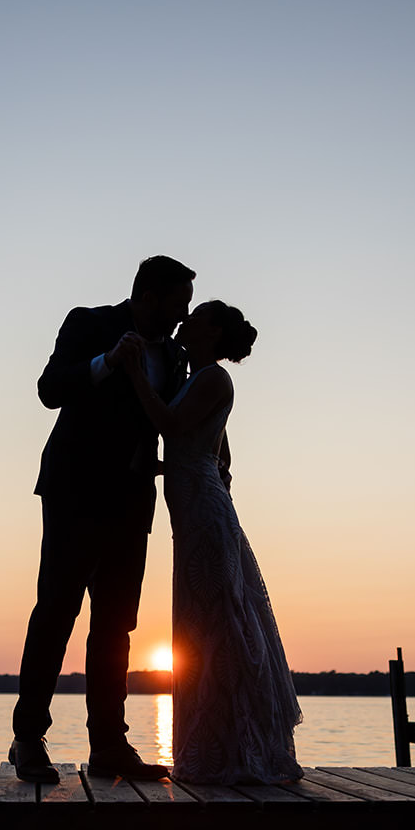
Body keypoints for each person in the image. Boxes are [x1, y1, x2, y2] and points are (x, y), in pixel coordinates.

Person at [10, 255, 195, 783]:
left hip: (134, 501)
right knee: (56, 612)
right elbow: (50, 391)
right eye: (177, 302)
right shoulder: (88, 323)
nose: (182, 315)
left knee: (117, 626)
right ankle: (28, 739)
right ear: (148, 295)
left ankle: (109, 746)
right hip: (75, 493)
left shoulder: (176, 354)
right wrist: (108, 362)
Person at [124, 300, 303, 784]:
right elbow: (212, 451)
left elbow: (173, 426)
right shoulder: (194, 377)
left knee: (219, 619)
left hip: (203, 512)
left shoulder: (214, 379)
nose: (186, 319)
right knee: (202, 621)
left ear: (214, 332)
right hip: (192, 504)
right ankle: (214, 746)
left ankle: (238, 748)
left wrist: (135, 370)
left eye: (197, 316)